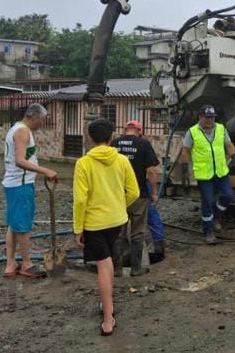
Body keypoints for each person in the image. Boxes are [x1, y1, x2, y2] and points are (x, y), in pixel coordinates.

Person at [73, 119, 139, 336]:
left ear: (90, 138)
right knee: (108, 260)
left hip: (94, 222)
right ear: (112, 137)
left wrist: (78, 228)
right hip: (117, 220)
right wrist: (119, 205)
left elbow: (80, 199)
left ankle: (108, 318)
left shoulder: (83, 163)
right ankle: (107, 301)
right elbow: (134, 192)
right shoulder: (122, 160)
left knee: (103, 264)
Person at [2, 103, 58, 279]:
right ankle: (26, 264)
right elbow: (20, 160)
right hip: (21, 184)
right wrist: (45, 171)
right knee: (23, 226)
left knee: (14, 224)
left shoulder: (16, 129)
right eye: (41, 120)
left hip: (14, 183)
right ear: (32, 116)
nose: (42, 123)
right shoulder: (22, 131)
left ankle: (11, 264)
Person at [180, 105, 235, 243]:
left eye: (212, 118)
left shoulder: (220, 129)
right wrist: (185, 172)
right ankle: (208, 231)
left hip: (221, 171)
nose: (210, 120)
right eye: (207, 117)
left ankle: (216, 216)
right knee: (207, 202)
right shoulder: (192, 132)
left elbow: (229, 145)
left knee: (227, 196)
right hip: (204, 175)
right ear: (200, 117)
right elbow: (185, 151)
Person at [111, 120, 164, 275]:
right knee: (138, 231)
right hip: (138, 195)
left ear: (125, 130)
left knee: (117, 232)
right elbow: (151, 171)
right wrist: (154, 192)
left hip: (118, 195)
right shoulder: (144, 144)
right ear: (140, 131)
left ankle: (117, 269)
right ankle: (136, 268)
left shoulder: (114, 144)